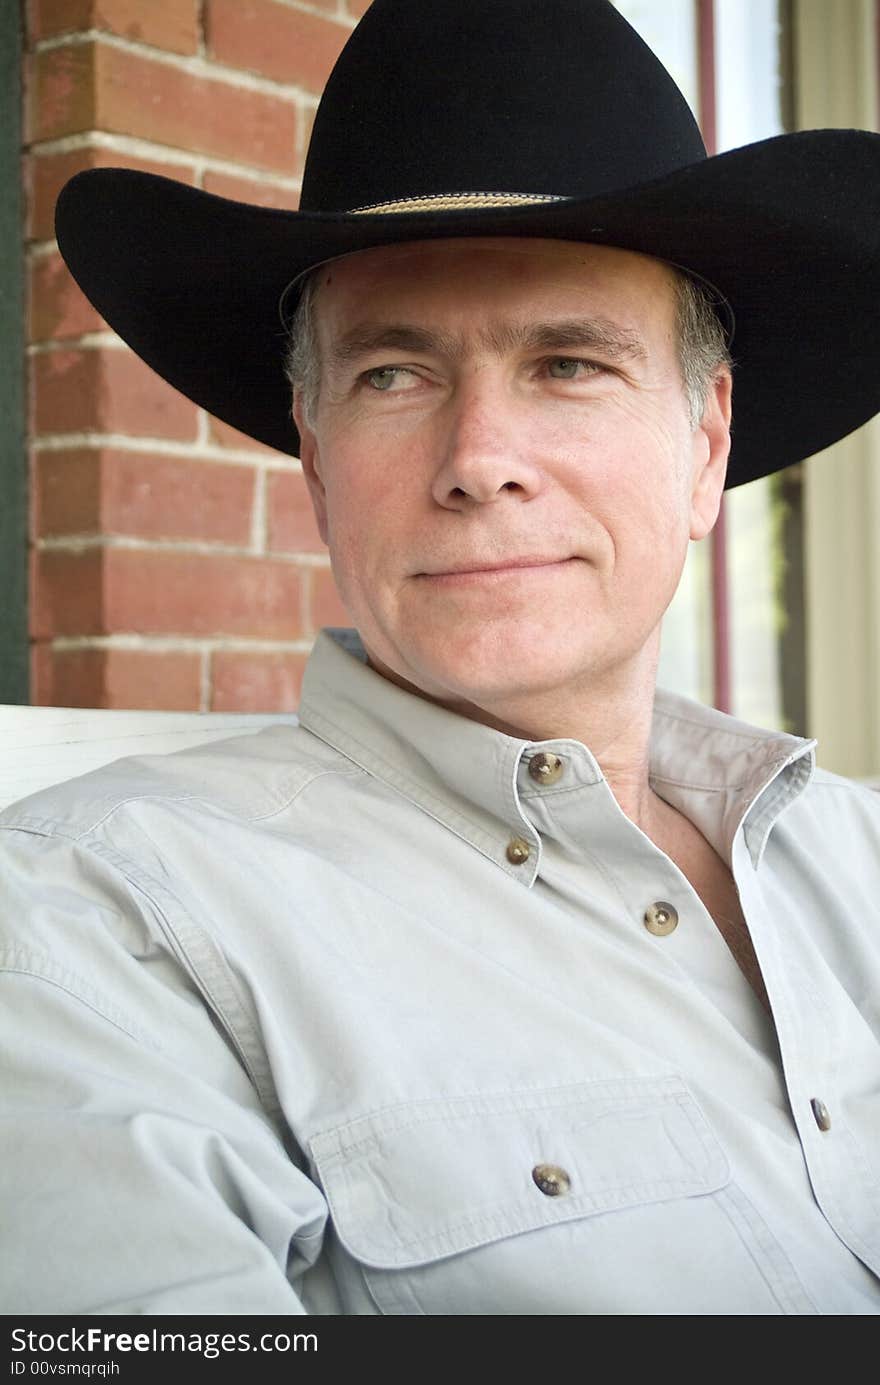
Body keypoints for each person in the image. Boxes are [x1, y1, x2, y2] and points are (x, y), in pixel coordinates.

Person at [3, 0, 880, 1316]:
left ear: (705, 443)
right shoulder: (97, 929)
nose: (479, 460)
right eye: (394, 376)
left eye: (570, 362)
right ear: (312, 451)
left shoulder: (862, 863)